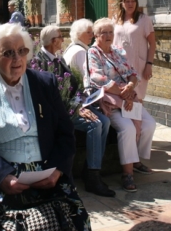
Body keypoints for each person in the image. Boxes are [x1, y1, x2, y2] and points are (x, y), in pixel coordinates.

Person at [0, 23, 91, 230]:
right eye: (8, 53)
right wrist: (2, 176)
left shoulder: (45, 83)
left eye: (22, 51)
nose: (17, 58)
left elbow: (65, 134)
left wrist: (57, 171)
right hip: (3, 180)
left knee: (71, 221)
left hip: (48, 176)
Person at [35, 25, 115, 197]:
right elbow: (51, 97)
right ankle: (93, 178)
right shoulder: (40, 62)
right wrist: (76, 109)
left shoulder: (57, 58)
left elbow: (72, 86)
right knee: (95, 125)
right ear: (53, 41)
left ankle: (91, 169)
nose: (63, 40)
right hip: (59, 113)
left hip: (74, 106)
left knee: (105, 121)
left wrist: (85, 101)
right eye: (60, 37)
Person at [87, 18, 156, 193]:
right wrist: (123, 93)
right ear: (96, 35)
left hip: (128, 96)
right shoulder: (93, 53)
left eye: (110, 32)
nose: (108, 35)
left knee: (149, 124)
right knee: (128, 129)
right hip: (112, 101)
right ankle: (127, 173)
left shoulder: (118, 51)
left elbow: (133, 73)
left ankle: (136, 159)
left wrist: (131, 87)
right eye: (104, 32)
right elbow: (97, 78)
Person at [113, 0, 156, 101]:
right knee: (121, 98)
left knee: (137, 100)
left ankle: (138, 119)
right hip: (119, 66)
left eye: (133, 1)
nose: (130, 4)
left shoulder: (144, 19)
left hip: (138, 66)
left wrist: (149, 65)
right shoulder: (115, 20)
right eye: (127, 1)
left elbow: (152, 43)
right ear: (122, 3)